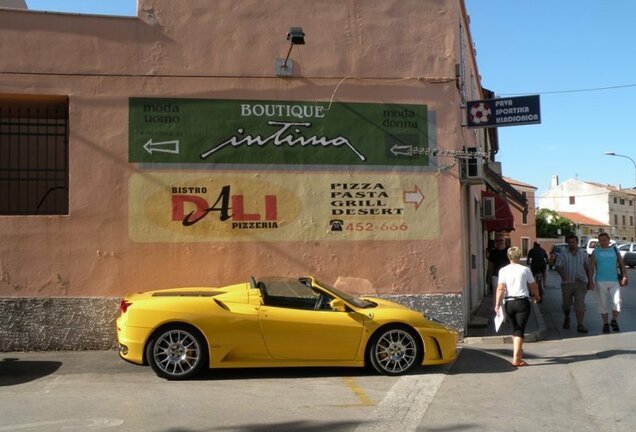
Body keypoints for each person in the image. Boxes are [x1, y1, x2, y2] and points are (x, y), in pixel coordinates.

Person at [494, 246, 540, 367]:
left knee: (514, 328)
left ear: (508, 256)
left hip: (508, 303)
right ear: (519, 256)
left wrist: (497, 304)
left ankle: (518, 351)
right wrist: (537, 296)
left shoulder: (503, 270)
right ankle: (517, 359)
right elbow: (533, 285)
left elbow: (500, 288)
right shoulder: (525, 269)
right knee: (520, 330)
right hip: (522, 302)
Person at [588, 232, 627, 333]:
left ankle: (614, 320)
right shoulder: (596, 252)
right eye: (600, 240)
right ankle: (605, 323)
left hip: (614, 280)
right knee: (603, 303)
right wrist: (590, 281)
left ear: (609, 240)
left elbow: (622, 264)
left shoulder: (615, 250)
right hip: (600, 281)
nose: (602, 242)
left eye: (605, 240)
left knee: (617, 301)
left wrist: (624, 276)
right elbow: (591, 268)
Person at [555, 234, 590, 333]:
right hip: (567, 283)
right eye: (569, 243)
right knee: (566, 304)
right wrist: (563, 275)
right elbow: (557, 267)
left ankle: (580, 324)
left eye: (573, 242)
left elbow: (588, 269)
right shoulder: (563, 255)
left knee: (580, 304)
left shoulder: (583, 254)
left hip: (581, 282)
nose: (571, 244)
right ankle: (567, 317)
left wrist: (590, 282)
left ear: (577, 243)